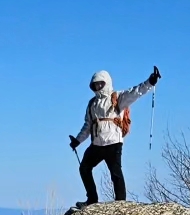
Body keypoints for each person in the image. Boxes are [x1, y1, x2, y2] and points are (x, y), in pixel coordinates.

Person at [69, 66, 161, 203]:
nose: (98, 86)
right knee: (84, 168)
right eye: (95, 84)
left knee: (115, 173)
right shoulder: (92, 104)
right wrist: (78, 140)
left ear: (107, 83)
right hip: (97, 144)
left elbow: (136, 92)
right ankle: (92, 200)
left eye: (100, 83)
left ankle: (120, 202)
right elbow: (87, 125)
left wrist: (150, 82)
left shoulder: (117, 97)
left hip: (113, 142)